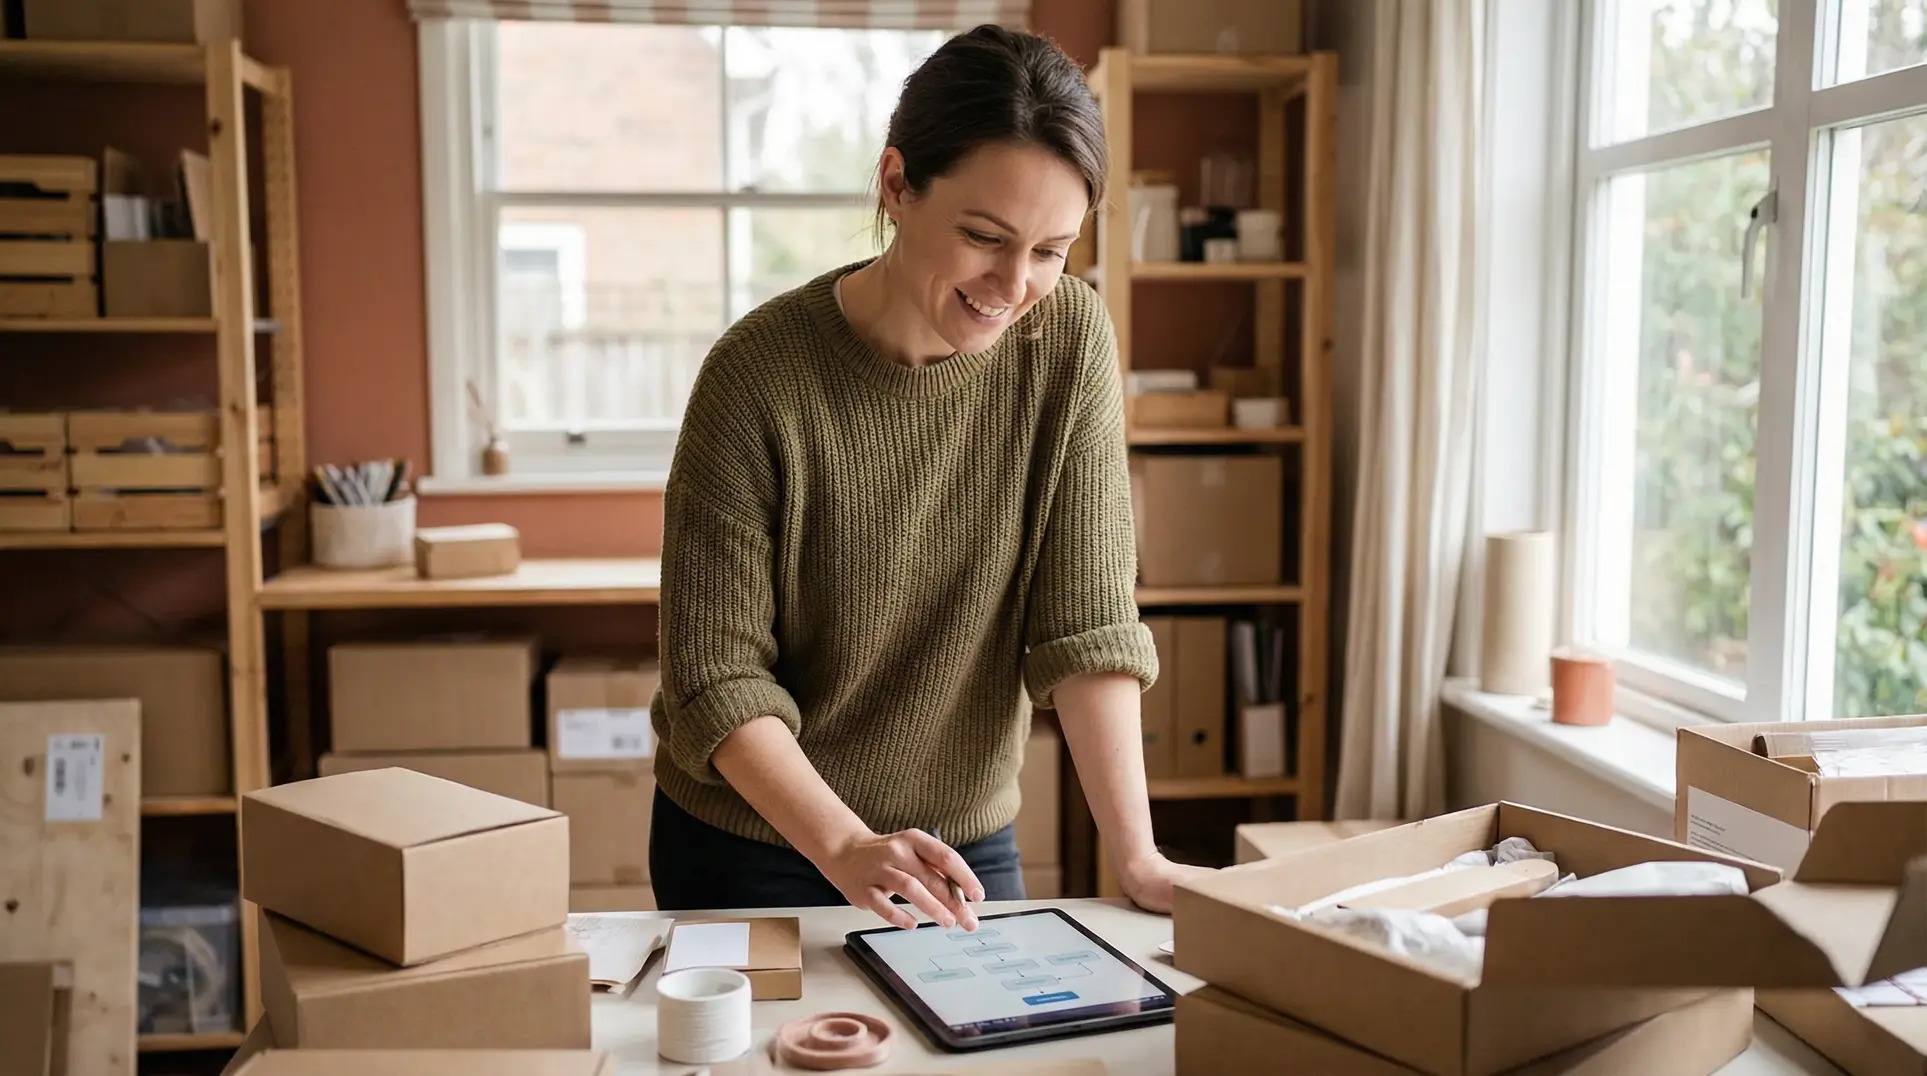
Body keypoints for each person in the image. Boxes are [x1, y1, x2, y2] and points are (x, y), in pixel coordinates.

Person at [648, 23, 1212, 931]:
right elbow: (715, 678)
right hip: (754, 843)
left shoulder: (1067, 341)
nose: (1013, 283)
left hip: (961, 843)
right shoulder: (757, 375)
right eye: (985, 236)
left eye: (1050, 249)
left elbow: (1088, 622)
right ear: (896, 184)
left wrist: (1137, 857)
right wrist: (839, 845)